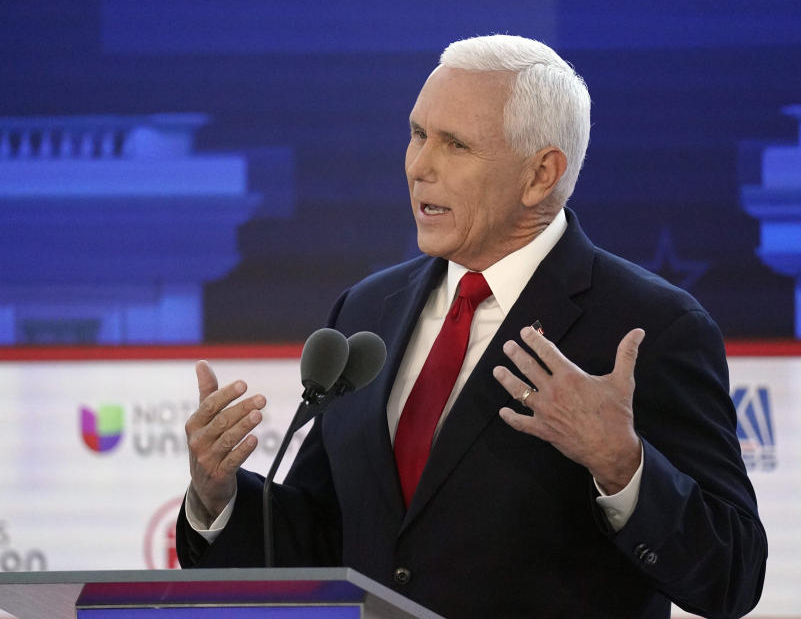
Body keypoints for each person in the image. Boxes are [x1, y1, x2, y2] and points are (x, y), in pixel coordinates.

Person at [177, 34, 766, 618]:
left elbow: (731, 576)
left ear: (541, 175)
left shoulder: (649, 327)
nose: (418, 167)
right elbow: (326, 538)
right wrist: (218, 497)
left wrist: (621, 465)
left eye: (455, 145)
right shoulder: (367, 310)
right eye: (416, 134)